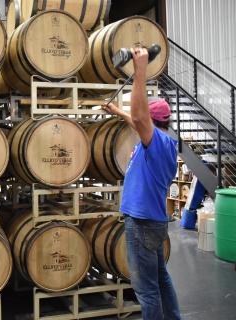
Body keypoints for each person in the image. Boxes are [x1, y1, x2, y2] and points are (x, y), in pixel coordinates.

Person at [102, 47, 182, 320]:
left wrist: (140, 69)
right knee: (161, 278)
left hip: (143, 222)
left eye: (146, 117)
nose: (139, 120)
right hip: (153, 221)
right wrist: (115, 110)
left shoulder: (157, 142)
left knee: (146, 290)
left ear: (153, 121)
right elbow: (136, 121)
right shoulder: (160, 141)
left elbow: (138, 118)